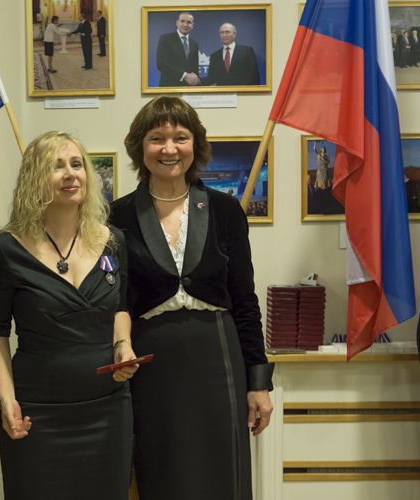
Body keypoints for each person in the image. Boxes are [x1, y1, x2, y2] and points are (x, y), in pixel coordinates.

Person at [110, 96, 274, 500]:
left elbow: (245, 300)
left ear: (195, 145)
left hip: (219, 358)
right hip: (152, 365)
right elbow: (116, 301)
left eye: (180, 137)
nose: (169, 149)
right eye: (157, 138)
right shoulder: (117, 217)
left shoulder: (225, 210)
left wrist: (259, 382)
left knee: (223, 477)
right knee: (162, 474)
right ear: (140, 147)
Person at [0, 131, 138, 499]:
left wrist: (123, 344)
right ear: (34, 179)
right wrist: (7, 400)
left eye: (77, 164)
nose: (71, 174)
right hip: (37, 412)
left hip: (107, 409)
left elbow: (119, 308)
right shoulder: (6, 249)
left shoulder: (113, 240)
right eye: (56, 166)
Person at [156, 12, 200, 86]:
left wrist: (194, 81)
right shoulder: (166, 39)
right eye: (182, 21)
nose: (185, 24)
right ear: (177, 23)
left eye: (189, 22)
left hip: (188, 89)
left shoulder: (194, 44)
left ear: (192, 25)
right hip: (169, 87)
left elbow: (195, 69)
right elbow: (162, 64)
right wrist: (185, 75)